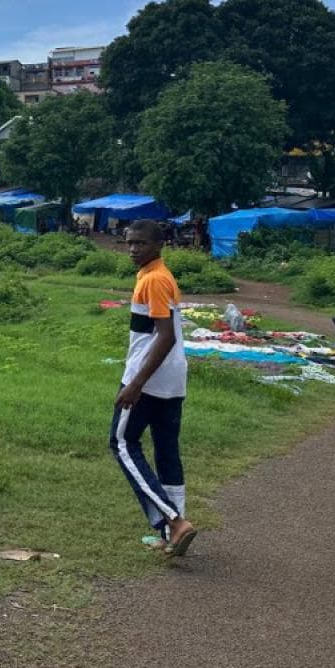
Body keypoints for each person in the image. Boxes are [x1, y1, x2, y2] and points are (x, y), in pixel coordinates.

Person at [110, 219, 197, 557]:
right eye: (129, 243)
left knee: (121, 443)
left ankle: (173, 521)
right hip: (173, 379)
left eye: (141, 244)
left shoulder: (156, 280)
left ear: (159, 245)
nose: (134, 249)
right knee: (166, 451)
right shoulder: (155, 276)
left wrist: (135, 384)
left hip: (149, 379)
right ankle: (172, 533)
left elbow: (166, 336)